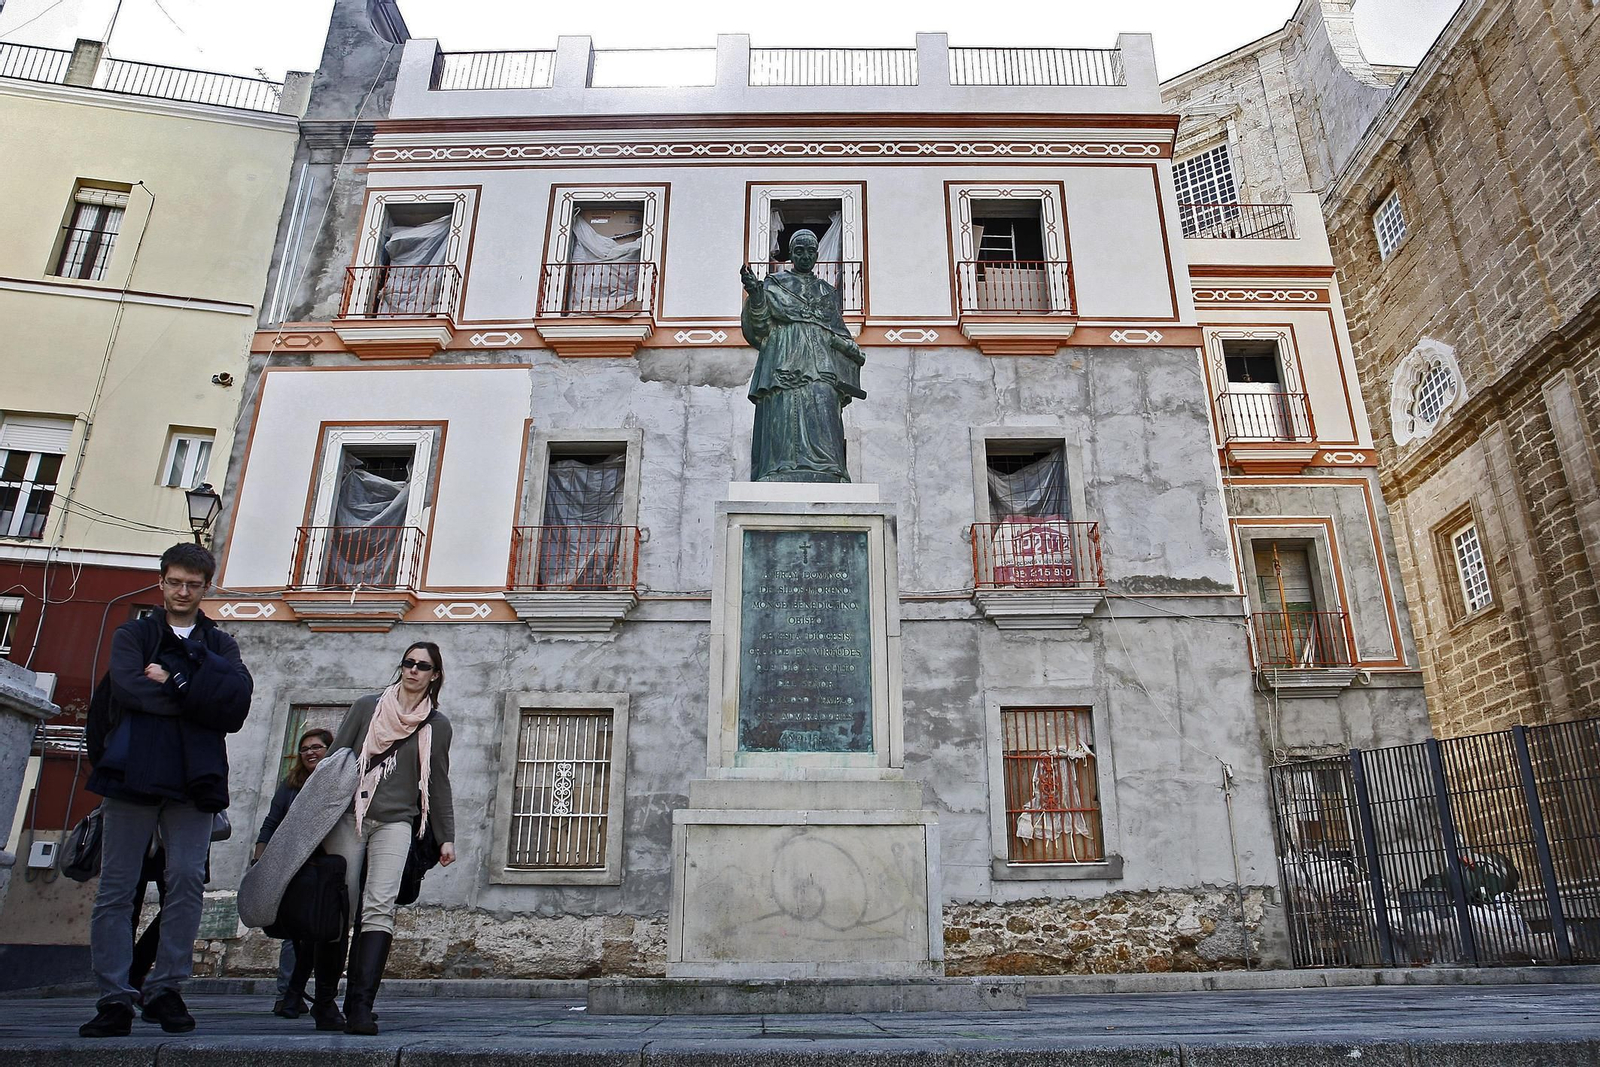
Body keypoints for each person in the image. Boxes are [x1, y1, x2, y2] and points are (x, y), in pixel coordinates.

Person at [79, 543, 253, 1038]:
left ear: (206, 588)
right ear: (162, 582)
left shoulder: (221, 644)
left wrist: (175, 680)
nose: (182, 592)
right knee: (116, 887)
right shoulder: (133, 633)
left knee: (185, 882)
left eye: (192, 585)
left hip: (194, 778)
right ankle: (114, 996)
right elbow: (130, 690)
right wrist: (198, 694)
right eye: (175, 582)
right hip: (132, 772)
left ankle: (166, 988)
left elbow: (235, 707)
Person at [321, 641, 455, 1035]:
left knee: (378, 908)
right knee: (339, 909)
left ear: (435, 675)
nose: (413, 670)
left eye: (423, 666)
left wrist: (446, 837)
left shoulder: (437, 725)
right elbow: (335, 759)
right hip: (349, 818)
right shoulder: (367, 707)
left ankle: (360, 1006)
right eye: (408, 663)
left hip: (397, 822)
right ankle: (326, 1002)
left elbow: (438, 782)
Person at [739, 227, 866, 483]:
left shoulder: (827, 292)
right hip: (783, 357)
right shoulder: (774, 285)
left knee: (823, 408)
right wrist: (755, 295)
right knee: (783, 412)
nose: (805, 256)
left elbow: (839, 331)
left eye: (810, 252)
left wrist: (850, 350)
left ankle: (828, 468)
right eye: (799, 251)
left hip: (820, 361)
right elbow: (761, 327)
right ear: (791, 254)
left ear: (817, 255)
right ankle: (779, 468)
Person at [252, 728, 332, 1020]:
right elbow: (271, 822)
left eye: (317, 747)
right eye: (305, 748)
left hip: (326, 866)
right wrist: (260, 858)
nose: (311, 752)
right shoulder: (291, 785)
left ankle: (313, 995)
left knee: (324, 933)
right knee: (295, 933)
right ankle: (287, 994)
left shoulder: (336, 782)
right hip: (293, 865)